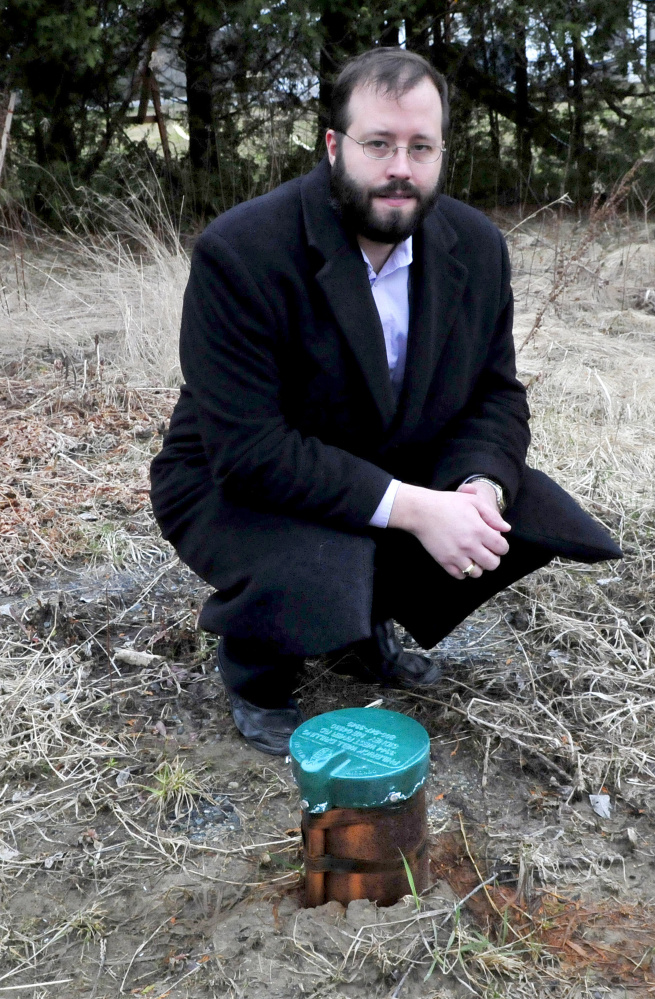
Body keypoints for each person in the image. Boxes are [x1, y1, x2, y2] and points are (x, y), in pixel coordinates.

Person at [150, 47, 621, 755]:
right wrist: (416, 508)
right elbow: (248, 451)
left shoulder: (477, 246)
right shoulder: (241, 252)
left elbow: (496, 393)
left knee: (525, 512)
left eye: (420, 147)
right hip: (230, 482)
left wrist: (477, 488)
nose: (401, 167)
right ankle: (258, 666)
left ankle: (358, 627)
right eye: (379, 144)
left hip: (380, 453)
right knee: (323, 558)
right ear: (335, 146)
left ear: (441, 153)